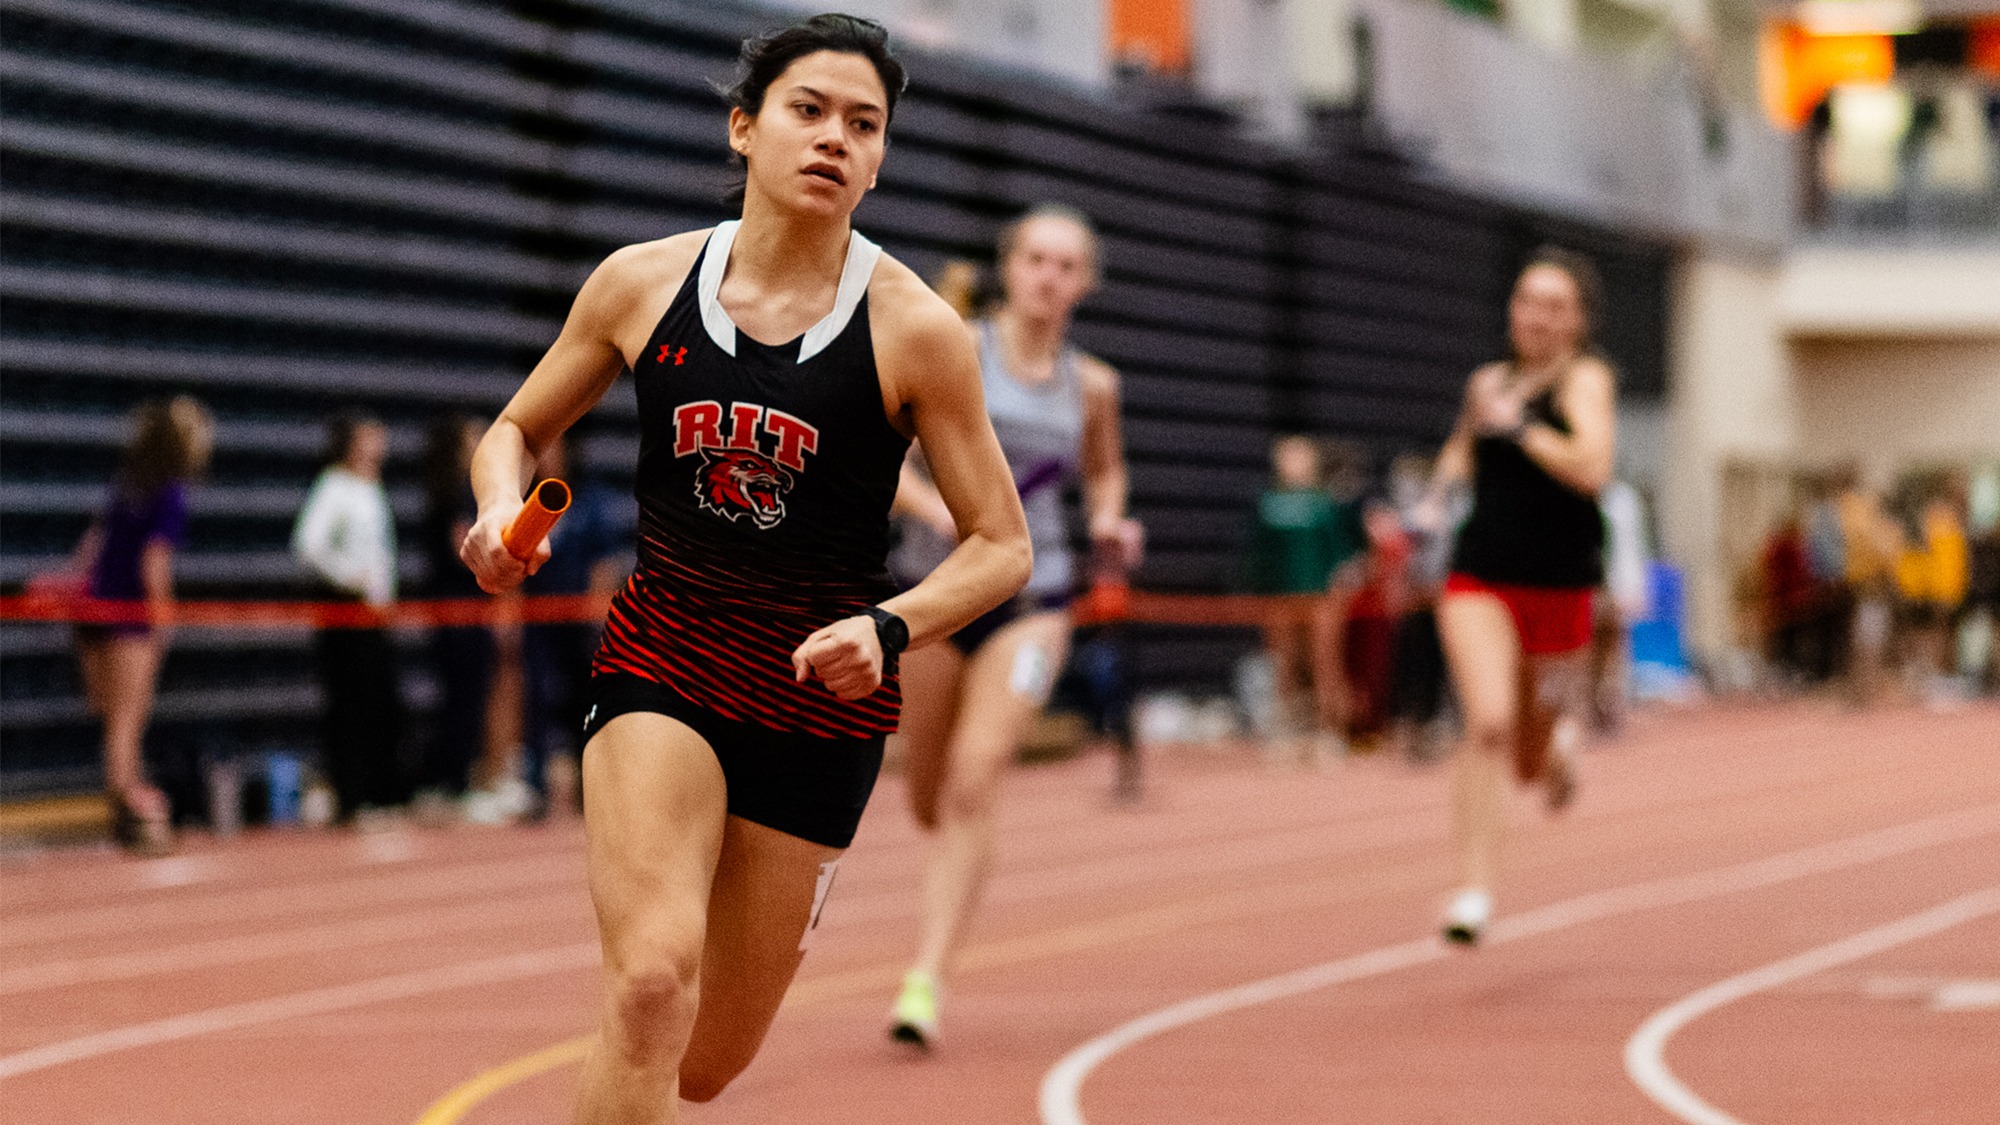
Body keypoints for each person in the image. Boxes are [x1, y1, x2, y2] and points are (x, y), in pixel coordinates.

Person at [456, 16, 1030, 1119]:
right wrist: (495, 513)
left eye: (862, 126)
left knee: (704, 1065)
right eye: (807, 111)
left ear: (879, 158)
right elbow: (512, 432)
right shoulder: (640, 283)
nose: (832, 140)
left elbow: (1002, 544)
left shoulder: (915, 330)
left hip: (816, 702)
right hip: (663, 662)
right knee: (649, 985)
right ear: (742, 129)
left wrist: (889, 627)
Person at [882, 203, 1141, 1050]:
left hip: (1034, 599)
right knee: (925, 792)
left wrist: (1109, 520)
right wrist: (948, 513)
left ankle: (926, 977)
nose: (1049, 277)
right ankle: (942, 843)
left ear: (1087, 282)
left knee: (975, 775)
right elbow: (883, 468)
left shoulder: (1092, 383)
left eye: (1068, 265)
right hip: (935, 589)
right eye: (1036, 259)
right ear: (1011, 264)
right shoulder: (953, 343)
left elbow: (1103, 474)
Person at [1415, 247, 1616, 946]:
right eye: (1529, 301)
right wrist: (1432, 501)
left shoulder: (1585, 382)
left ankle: (1561, 748)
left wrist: (1523, 429)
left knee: (1531, 765)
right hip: (1482, 575)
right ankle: (1472, 887)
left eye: (1556, 306)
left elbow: (1592, 466)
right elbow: (1461, 453)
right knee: (1490, 723)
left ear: (1578, 321)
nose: (1539, 317)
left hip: (1561, 589)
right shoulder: (1487, 383)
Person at [66, 396, 213, 854]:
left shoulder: (128, 484)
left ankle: (125, 805)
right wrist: (163, 618)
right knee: (128, 719)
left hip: (94, 608)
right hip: (128, 614)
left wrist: (76, 594)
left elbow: (92, 546)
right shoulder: (169, 493)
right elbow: (154, 559)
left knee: (114, 718)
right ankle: (128, 816)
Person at [292, 412, 405, 823]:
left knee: (382, 703)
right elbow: (308, 544)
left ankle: (382, 792)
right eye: (370, 434)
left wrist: (383, 593)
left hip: (375, 613)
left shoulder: (371, 486)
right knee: (350, 704)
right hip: (346, 611)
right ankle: (353, 797)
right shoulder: (335, 485)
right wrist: (348, 577)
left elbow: (381, 550)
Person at [518, 431, 633, 818]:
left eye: (553, 448)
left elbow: (606, 563)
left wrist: (596, 616)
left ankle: (593, 786)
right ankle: (536, 787)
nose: (547, 457)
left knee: (584, 706)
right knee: (535, 702)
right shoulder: (527, 506)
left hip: (581, 623)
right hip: (538, 622)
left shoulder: (590, 502)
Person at [1244, 435, 1366, 764]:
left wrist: (1342, 586)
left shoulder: (1325, 503)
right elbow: (1259, 555)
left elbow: (1343, 552)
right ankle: (1286, 734)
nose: (1294, 463)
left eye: (1301, 456)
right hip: (1281, 598)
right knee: (1284, 665)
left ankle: (1329, 733)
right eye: (1287, 456)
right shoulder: (1269, 503)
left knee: (1325, 663)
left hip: (1321, 596)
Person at [416, 415, 491, 814]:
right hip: (458, 611)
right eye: (473, 437)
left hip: (458, 610)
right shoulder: (455, 493)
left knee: (462, 696)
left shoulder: (448, 491)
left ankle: (456, 777)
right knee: (463, 696)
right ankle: (455, 781)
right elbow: (462, 547)